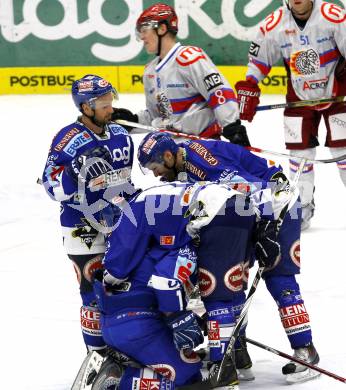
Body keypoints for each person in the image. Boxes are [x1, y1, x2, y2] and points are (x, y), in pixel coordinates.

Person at [137, 132, 321, 384]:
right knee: (232, 280)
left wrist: (266, 231)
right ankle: (237, 354)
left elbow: (253, 190)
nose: (156, 174)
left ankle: (306, 350)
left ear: (168, 156)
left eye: (155, 167)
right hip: (243, 213)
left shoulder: (203, 164)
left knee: (279, 279)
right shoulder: (181, 161)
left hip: (278, 207)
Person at [90, 181, 268, 389]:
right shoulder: (179, 247)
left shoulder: (148, 242)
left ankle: (124, 366)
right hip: (139, 325)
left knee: (189, 364)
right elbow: (165, 284)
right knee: (190, 379)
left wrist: (194, 320)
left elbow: (113, 276)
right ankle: (122, 381)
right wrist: (180, 321)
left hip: (116, 323)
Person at [41, 75, 136, 357]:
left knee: (127, 288)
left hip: (119, 221)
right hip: (81, 225)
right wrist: (72, 173)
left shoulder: (121, 135)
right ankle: (97, 356)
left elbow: (125, 181)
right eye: (104, 103)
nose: (110, 108)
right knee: (92, 293)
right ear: (86, 107)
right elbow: (50, 185)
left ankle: (127, 347)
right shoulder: (67, 140)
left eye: (110, 101)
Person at [235, 0, 346, 229]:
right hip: (299, 99)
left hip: (338, 97)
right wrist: (250, 84)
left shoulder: (333, 16)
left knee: (342, 152)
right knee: (299, 155)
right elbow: (258, 61)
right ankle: (302, 207)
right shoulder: (274, 24)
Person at [111, 2, 251, 146]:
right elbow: (157, 116)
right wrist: (133, 121)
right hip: (170, 151)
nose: (142, 37)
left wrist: (232, 128)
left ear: (162, 28)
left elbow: (219, 92)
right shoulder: (149, 72)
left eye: (145, 30)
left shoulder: (189, 58)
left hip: (203, 144)